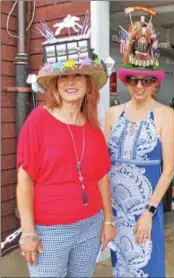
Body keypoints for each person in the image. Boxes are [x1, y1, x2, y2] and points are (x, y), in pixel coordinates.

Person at [16, 14, 115, 277]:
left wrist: (108, 220)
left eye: (78, 76)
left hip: (90, 225)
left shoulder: (93, 127)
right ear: (56, 86)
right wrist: (28, 231)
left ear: (87, 84)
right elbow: (24, 180)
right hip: (50, 229)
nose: (71, 82)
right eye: (63, 77)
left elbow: (102, 177)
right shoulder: (38, 120)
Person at [105, 11, 174, 277]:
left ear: (155, 82)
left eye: (146, 80)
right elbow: (103, 163)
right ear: (126, 80)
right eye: (133, 79)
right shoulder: (112, 114)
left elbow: (168, 169)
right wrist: (106, 213)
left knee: (148, 263)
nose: (139, 85)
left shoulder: (165, 114)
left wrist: (148, 212)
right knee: (120, 262)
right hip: (116, 208)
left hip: (147, 206)